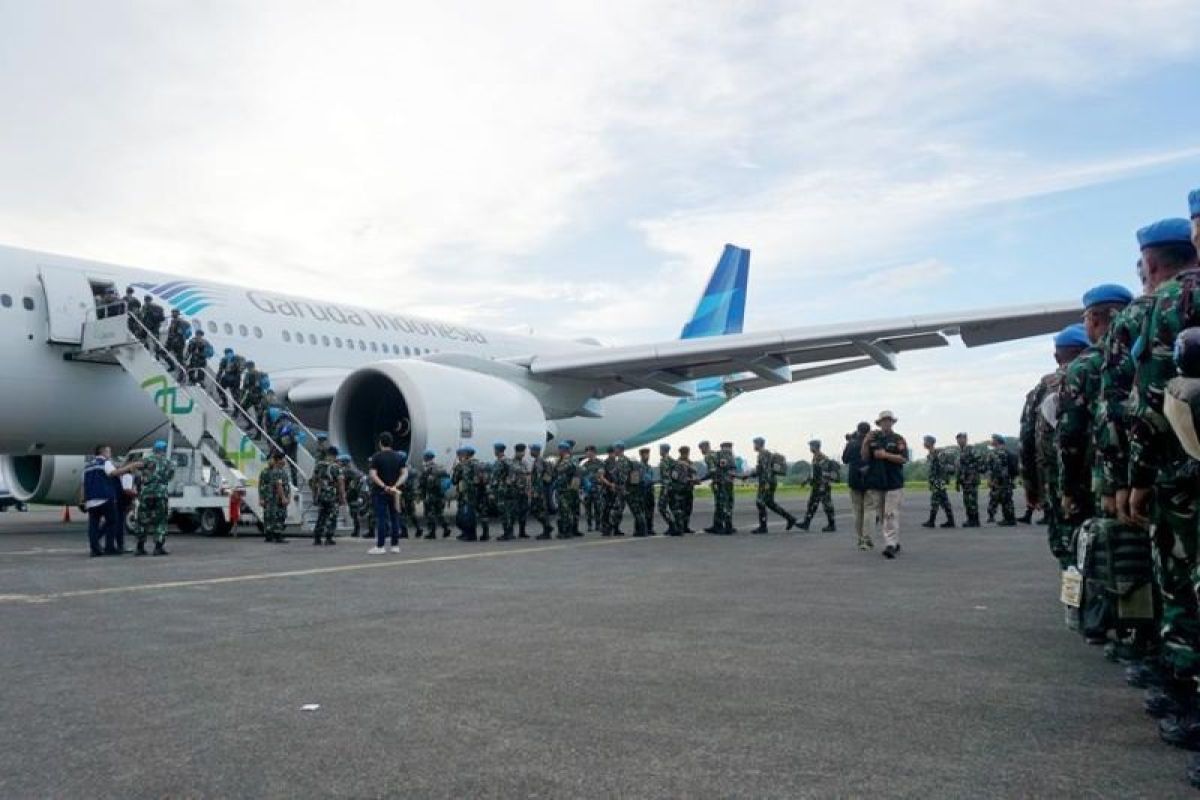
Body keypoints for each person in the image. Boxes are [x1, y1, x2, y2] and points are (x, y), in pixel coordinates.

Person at [1126, 217, 1200, 750]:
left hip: (1181, 477)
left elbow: (1149, 402)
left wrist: (1135, 477)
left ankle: (1187, 699)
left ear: (1151, 262)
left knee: (1181, 588)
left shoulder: (1165, 304)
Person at [1057, 284, 1133, 537]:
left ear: (1095, 318)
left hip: (1104, 484)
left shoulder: (1085, 366)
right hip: (1158, 479)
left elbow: (1071, 434)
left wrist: (1068, 488)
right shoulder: (1146, 351)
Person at [79, 445, 142, 557]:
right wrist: (130, 466)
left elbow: (83, 485)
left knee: (93, 525)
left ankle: (94, 549)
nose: (110, 454)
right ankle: (110, 547)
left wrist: (82, 500)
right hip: (105, 498)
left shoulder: (87, 467)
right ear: (103, 452)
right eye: (109, 451)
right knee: (112, 522)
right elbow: (113, 473)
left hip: (91, 500)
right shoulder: (105, 463)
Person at [862, 411, 908, 559]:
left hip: (893, 482)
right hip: (877, 482)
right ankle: (894, 541)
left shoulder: (898, 439)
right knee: (883, 515)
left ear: (892, 423)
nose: (886, 423)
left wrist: (886, 455)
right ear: (879, 423)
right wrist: (865, 442)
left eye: (888, 420)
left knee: (890, 514)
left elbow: (903, 459)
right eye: (883, 421)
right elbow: (864, 457)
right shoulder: (874, 438)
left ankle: (890, 545)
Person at [748, 437, 798, 533]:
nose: (754, 446)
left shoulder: (764, 455)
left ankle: (763, 527)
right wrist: (749, 475)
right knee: (770, 504)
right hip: (769, 481)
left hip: (767, 482)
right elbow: (760, 470)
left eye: (754, 444)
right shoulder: (763, 454)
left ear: (758, 444)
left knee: (760, 502)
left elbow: (766, 470)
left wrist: (766, 483)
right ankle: (790, 518)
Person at [367, 432, 407, 554]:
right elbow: (405, 473)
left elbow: (373, 474)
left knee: (381, 519)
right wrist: (395, 486)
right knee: (395, 518)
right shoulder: (399, 457)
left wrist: (384, 486)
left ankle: (380, 546)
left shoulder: (376, 457)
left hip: (380, 492)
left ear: (380, 443)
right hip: (395, 492)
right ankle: (395, 545)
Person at [135, 439, 175, 556]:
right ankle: (158, 547)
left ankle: (140, 547)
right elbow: (170, 477)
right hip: (161, 494)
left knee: (142, 520)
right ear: (164, 450)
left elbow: (137, 470)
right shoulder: (169, 463)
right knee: (160, 520)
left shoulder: (147, 460)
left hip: (146, 493)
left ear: (154, 449)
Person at [843, 422, 873, 548]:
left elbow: (844, 459)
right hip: (870, 478)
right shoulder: (872, 443)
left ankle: (860, 537)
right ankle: (867, 537)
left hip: (854, 478)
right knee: (869, 509)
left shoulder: (852, 443)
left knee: (857, 510)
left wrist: (849, 442)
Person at [798, 439, 837, 532]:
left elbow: (824, 473)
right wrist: (807, 481)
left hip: (822, 485)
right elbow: (813, 473)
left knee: (827, 505)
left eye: (811, 446)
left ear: (815, 446)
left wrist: (822, 486)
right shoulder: (815, 457)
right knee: (811, 504)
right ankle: (806, 523)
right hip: (816, 485)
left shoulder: (822, 458)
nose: (810, 448)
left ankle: (832, 525)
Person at [310, 445, 345, 546]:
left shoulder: (319, 465)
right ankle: (329, 537)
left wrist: (314, 494)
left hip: (321, 495)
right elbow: (340, 483)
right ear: (334, 455)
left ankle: (317, 537)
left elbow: (313, 481)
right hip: (332, 496)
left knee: (321, 515)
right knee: (332, 516)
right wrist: (342, 497)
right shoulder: (336, 467)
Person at [921, 435, 956, 528]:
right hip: (935, 481)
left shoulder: (939, 454)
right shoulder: (930, 455)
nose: (924, 443)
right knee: (944, 501)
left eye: (925, 441)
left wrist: (941, 479)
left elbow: (943, 467)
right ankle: (950, 521)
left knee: (935, 500)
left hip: (939, 481)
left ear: (930, 443)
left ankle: (932, 521)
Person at [258, 449, 291, 544]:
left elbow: (285, 485)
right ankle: (275, 535)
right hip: (273, 498)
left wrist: (287, 496)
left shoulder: (280, 471)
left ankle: (274, 534)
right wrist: (261, 498)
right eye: (282, 459)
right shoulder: (274, 472)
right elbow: (278, 485)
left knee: (278, 515)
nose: (284, 461)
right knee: (273, 516)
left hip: (276, 497)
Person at [417, 450, 450, 539]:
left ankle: (432, 532)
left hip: (431, 495)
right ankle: (446, 528)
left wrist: (420, 495)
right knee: (439, 513)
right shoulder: (439, 468)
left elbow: (422, 484)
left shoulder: (427, 469)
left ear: (425, 458)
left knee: (429, 514)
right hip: (441, 495)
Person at [985, 434, 1017, 526]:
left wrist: (992, 480)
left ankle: (1009, 520)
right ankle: (1010, 518)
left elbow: (996, 468)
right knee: (1007, 500)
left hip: (1000, 480)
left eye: (993, 439)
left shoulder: (997, 452)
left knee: (1004, 500)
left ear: (997, 441)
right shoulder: (1008, 452)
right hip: (1007, 479)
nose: (991, 440)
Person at [953, 432, 983, 528]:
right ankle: (970, 519)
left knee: (972, 500)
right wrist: (957, 482)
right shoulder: (960, 452)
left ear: (966, 439)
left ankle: (975, 520)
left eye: (961, 438)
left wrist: (971, 470)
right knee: (967, 501)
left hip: (971, 480)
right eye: (958, 439)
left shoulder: (971, 449)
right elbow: (959, 468)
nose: (959, 441)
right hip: (964, 481)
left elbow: (980, 461)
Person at [340, 454, 373, 539]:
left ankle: (358, 530)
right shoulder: (354, 470)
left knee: (356, 512)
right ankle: (359, 530)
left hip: (355, 494)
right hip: (359, 493)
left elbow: (345, 482)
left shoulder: (347, 470)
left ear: (344, 462)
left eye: (341, 461)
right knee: (359, 512)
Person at [552, 442, 580, 539]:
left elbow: (558, 470)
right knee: (564, 510)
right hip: (562, 489)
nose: (559, 451)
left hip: (566, 490)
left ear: (564, 450)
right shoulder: (563, 460)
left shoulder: (567, 460)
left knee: (565, 511)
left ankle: (566, 532)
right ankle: (565, 531)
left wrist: (556, 465)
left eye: (560, 449)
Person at [527, 443, 554, 540]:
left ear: (536, 451)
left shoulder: (539, 461)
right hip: (541, 490)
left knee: (538, 510)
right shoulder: (539, 460)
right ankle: (547, 529)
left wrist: (536, 491)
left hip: (539, 491)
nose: (530, 452)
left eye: (531, 450)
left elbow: (539, 477)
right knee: (540, 510)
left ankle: (547, 529)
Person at [672, 445, 698, 534]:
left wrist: (693, 480)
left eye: (687, 453)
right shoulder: (676, 463)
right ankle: (680, 527)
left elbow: (695, 472)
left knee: (688, 509)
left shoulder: (690, 463)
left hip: (688, 489)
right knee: (680, 509)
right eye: (684, 453)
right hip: (680, 489)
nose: (686, 454)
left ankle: (686, 526)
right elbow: (674, 476)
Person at [510, 443, 532, 539]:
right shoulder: (511, 463)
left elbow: (528, 477)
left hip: (524, 491)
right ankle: (510, 532)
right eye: (521, 452)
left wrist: (528, 489)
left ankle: (522, 531)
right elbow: (510, 478)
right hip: (515, 491)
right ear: (516, 452)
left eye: (523, 452)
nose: (523, 454)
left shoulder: (525, 463)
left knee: (524, 511)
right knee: (513, 512)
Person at [580, 445, 603, 532]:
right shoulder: (585, 464)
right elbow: (582, 475)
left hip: (597, 488)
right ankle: (589, 525)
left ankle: (598, 525)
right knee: (588, 508)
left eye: (589, 452)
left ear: (594, 452)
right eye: (587, 452)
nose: (587, 453)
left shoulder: (600, 463)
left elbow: (601, 474)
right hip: (588, 490)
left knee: (598, 508)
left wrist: (591, 477)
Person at [656, 443, 677, 535]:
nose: (659, 451)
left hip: (666, 487)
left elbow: (666, 477)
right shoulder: (673, 461)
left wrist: (665, 489)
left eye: (660, 449)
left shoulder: (664, 461)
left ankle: (672, 526)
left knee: (661, 507)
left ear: (663, 450)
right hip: (672, 487)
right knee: (673, 507)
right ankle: (676, 526)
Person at [636, 447, 657, 535]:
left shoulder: (649, 467)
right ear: (641, 455)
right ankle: (639, 530)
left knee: (650, 511)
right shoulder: (638, 466)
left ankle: (649, 528)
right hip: (642, 491)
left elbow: (651, 478)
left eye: (648, 454)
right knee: (640, 511)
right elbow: (638, 479)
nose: (647, 456)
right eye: (645, 454)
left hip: (650, 491)